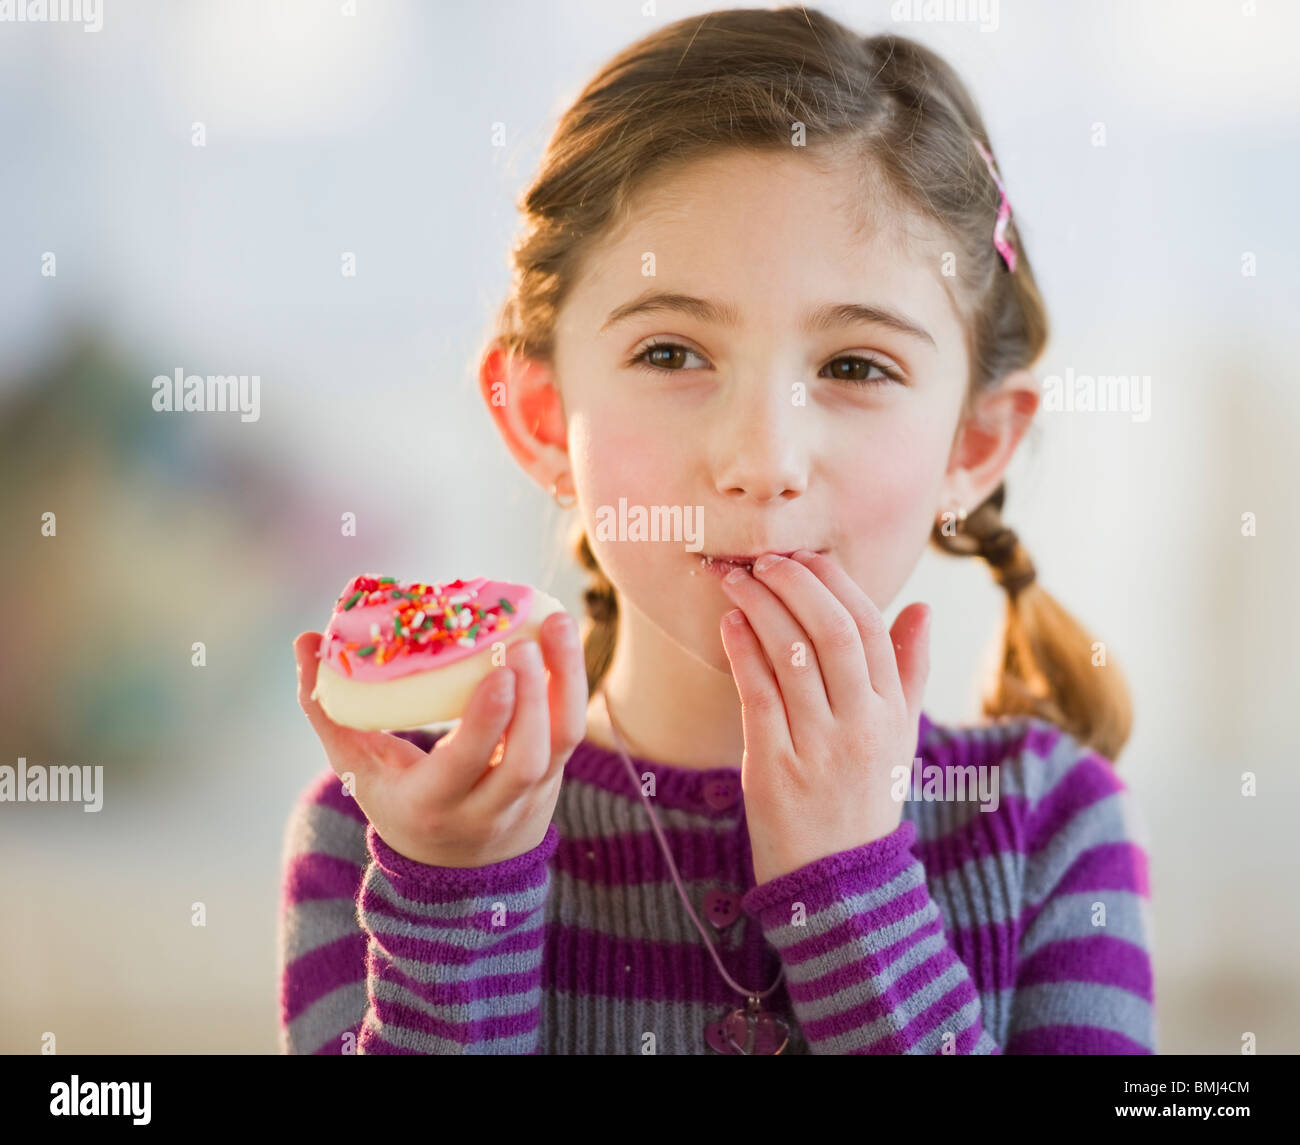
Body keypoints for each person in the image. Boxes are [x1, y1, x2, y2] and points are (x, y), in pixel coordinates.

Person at [280, 5, 1154, 1054]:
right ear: (543, 416)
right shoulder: (388, 819)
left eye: (853, 367)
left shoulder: (1048, 825)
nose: (762, 460)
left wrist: (853, 885)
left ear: (970, 445)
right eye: (669, 353)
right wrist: (456, 893)